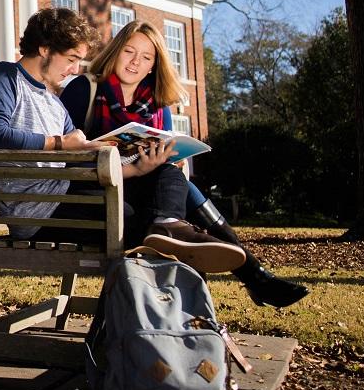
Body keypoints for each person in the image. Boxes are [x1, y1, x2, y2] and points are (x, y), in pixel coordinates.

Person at [60, 19, 309, 308]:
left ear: (154, 65)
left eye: (146, 57)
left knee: (171, 171)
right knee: (183, 204)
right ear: (116, 51)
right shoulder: (85, 89)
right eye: (129, 52)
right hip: (98, 189)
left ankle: (174, 229)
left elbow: (172, 152)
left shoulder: (158, 103)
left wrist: (170, 162)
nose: (135, 62)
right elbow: (67, 155)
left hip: (146, 189)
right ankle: (252, 274)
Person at [0, 8, 245, 274]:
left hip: (64, 197)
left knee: (165, 175)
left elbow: (82, 157)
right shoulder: (5, 76)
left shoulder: (54, 103)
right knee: (139, 224)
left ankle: (172, 228)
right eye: (71, 58)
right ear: (45, 49)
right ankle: (179, 246)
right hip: (35, 213)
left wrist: (137, 168)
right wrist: (59, 144)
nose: (74, 69)